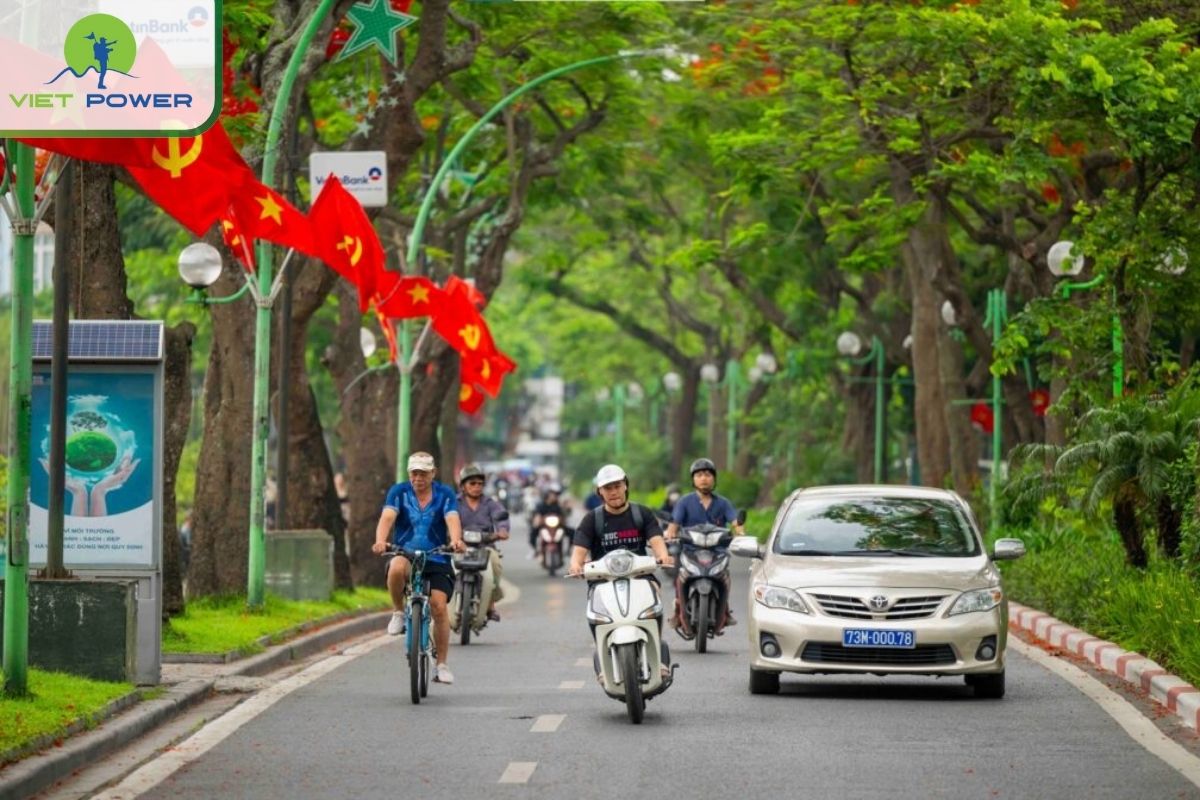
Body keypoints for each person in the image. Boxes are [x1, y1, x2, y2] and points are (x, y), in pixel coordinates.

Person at [569, 464, 675, 676]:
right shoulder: (593, 519)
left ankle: (657, 650)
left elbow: (656, 540)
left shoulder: (641, 513)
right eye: (608, 488)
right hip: (602, 580)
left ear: (625, 485)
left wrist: (662, 555)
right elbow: (580, 548)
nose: (614, 491)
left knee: (654, 600)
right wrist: (575, 564)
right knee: (595, 612)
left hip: (641, 575)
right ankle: (603, 650)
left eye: (617, 485)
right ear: (600, 492)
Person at [372, 452, 466, 685]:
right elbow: (387, 517)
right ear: (409, 474)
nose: (418, 478)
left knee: (439, 607)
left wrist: (456, 540)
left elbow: (452, 518)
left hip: (437, 558)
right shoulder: (399, 492)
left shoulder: (444, 493)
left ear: (433, 473)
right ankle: (398, 612)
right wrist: (380, 540)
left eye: (423, 473)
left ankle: (442, 665)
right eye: (414, 473)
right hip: (406, 553)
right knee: (395, 568)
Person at [665, 457, 744, 628]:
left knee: (724, 577)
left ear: (714, 479)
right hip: (689, 550)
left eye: (708, 474)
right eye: (699, 475)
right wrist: (670, 534)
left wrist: (740, 532)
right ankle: (679, 608)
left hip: (717, 551)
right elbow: (674, 524)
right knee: (681, 577)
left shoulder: (723, 503)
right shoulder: (684, 502)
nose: (704, 478)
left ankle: (725, 609)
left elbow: (735, 521)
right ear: (693, 479)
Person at [455, 463, 510, 622]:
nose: (477, 487)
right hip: (459, 546)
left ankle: (490, 605)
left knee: (495, 566)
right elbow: (446, 517)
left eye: (480, 484)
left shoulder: (490, 503)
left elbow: (501, 516)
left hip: (485, 546)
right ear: (463, 486)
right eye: (472, 483)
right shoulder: (454, 503)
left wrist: (502, 530)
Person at [529, 484, 570, 554]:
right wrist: (537, 520)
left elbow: (565, 513)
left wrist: (567, 509)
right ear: (548, 494)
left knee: (573, 533)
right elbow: (537, 515)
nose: (554, 496)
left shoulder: (559, 505)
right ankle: (535, 549)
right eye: (553, 494)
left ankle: (568, 550)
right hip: (544, 525)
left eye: (556, 494)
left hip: (557, 526)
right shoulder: (541, 505)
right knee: (533, 532)